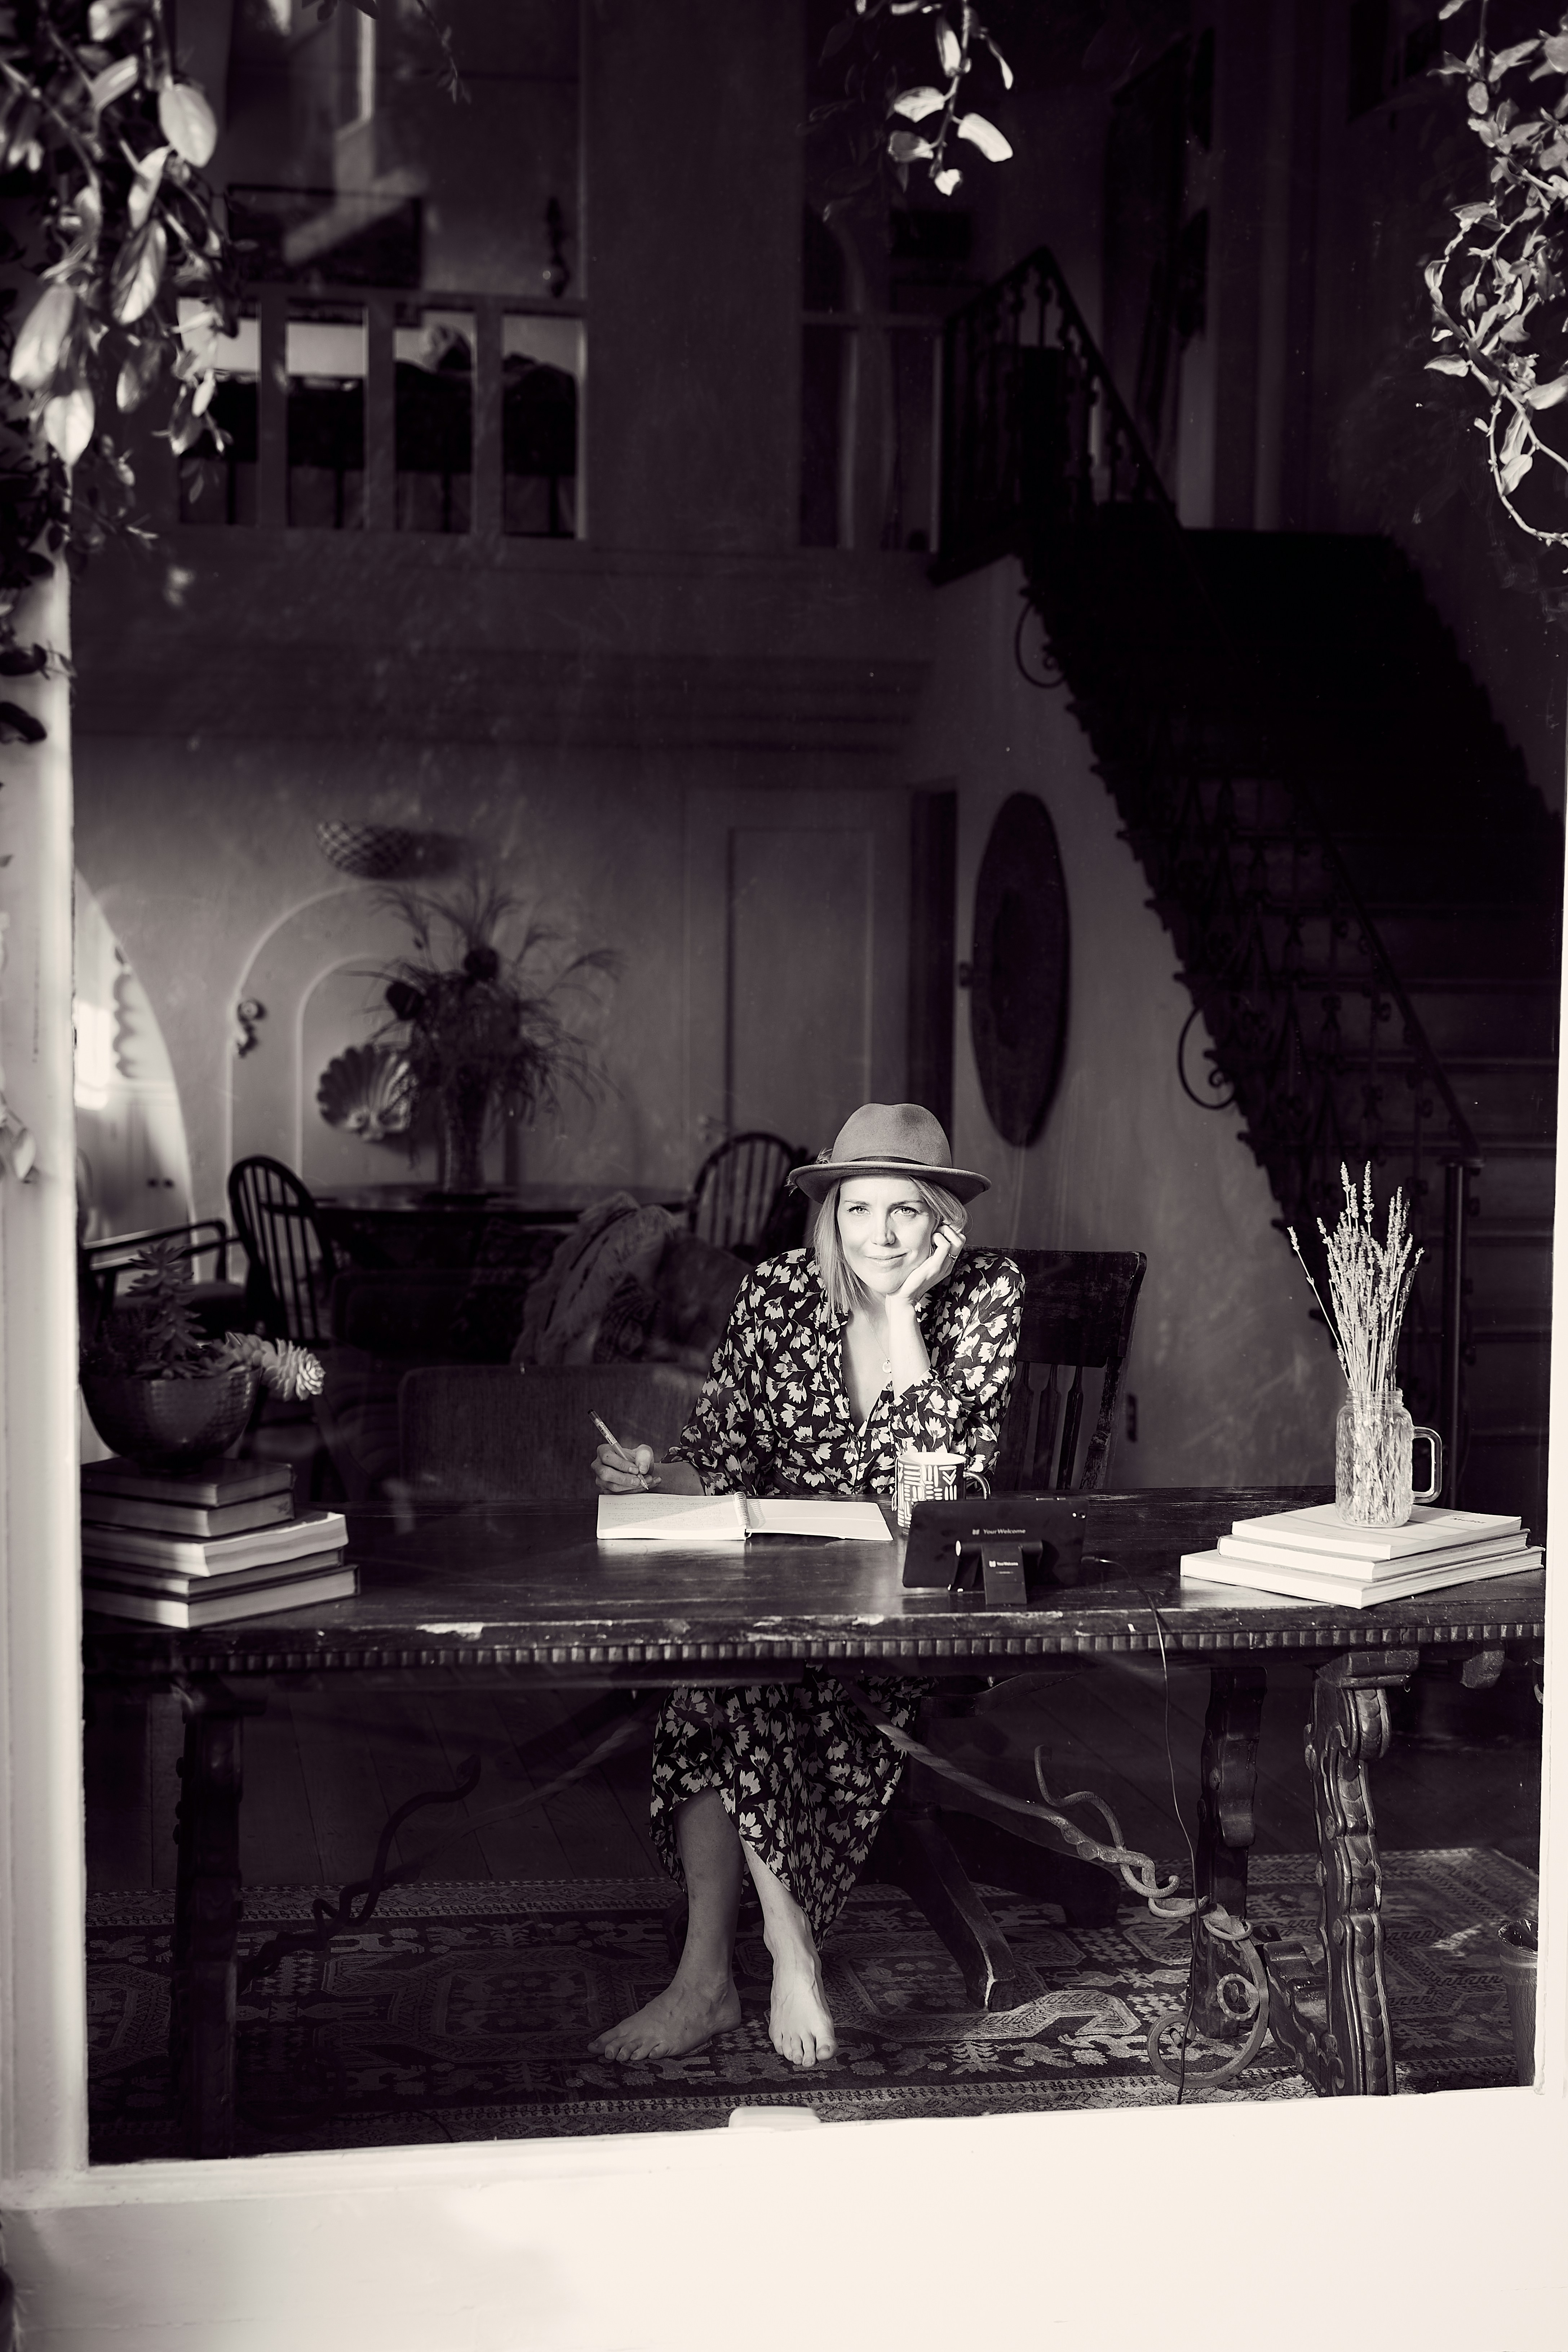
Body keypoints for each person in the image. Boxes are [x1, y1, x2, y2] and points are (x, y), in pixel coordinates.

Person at [589, 1103, 1023, 2070]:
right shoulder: (782, 1292)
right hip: (779, 1586)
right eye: (857, 1210)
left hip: (914, 1605)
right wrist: (657, 1476)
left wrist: (904, 1316)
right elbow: (721, 1457)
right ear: (828, 1214)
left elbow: (940, 1494)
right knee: (724, 1670)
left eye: (905, 1212)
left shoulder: (988, 1294)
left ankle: (725, 1973)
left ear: (943, 1223)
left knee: (727, 1684)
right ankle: (770, 1957)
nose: (878, 1235)